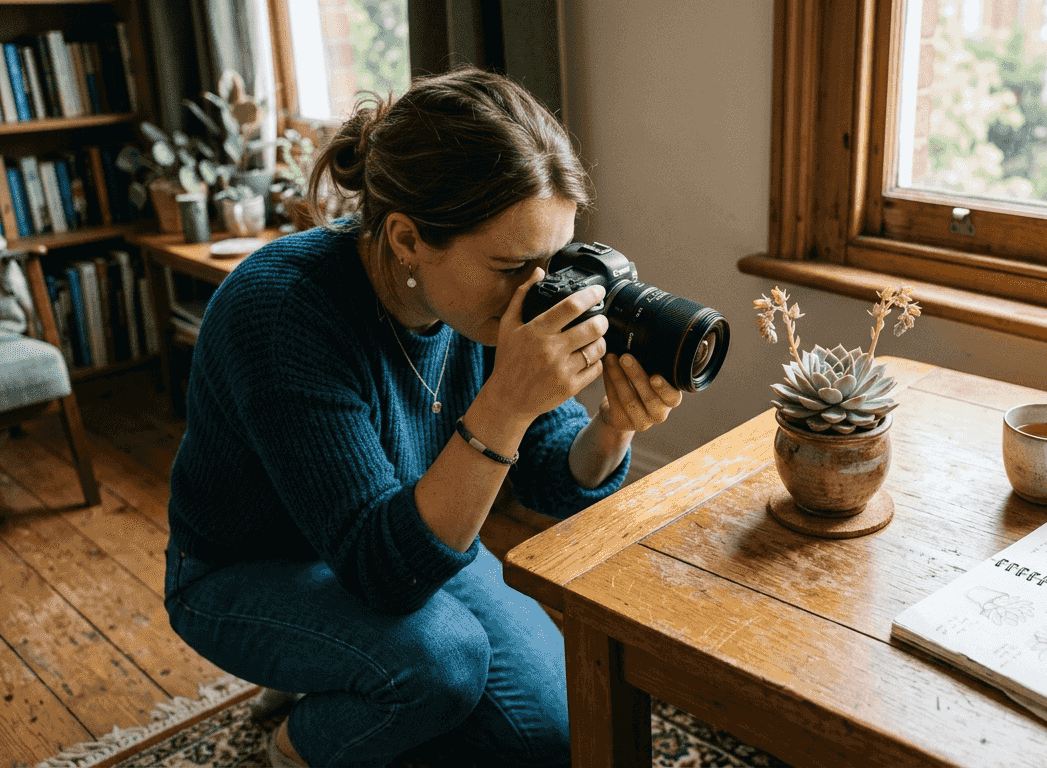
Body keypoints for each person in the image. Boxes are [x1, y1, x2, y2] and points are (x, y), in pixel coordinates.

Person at [163, 66, 681, 768]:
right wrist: (504, 403)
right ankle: (295, 743)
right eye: (512, 265)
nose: (540, 289)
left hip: (406, 525)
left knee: (557, 736)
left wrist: (615, 423)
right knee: (444, 667)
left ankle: (338, 668)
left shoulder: (479, 300)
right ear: (407, 239)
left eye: (553, 258)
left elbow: (554, 477)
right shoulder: (282, 313)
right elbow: (384, 575)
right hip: (247, 570)